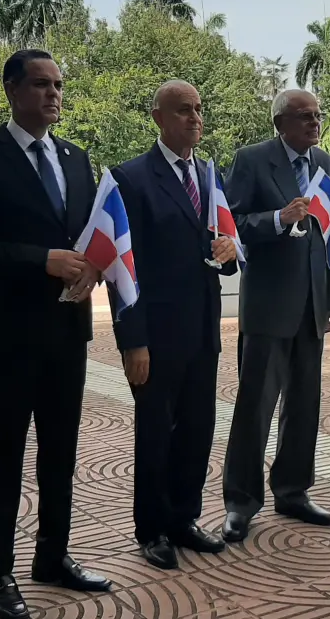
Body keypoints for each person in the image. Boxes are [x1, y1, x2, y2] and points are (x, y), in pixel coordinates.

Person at [0, 49, 112, 619]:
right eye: (41, 84)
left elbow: (88, 233)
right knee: (5, 451)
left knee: (60, 450)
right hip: (11, 329)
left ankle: (53, 555)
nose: (53, 94)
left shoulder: (76, 158)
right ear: (12, 90)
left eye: (58, 85)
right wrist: (43, 259)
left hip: (69, 325)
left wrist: (95, 265)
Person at [109, 80, 238, 569]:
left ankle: (185, 517)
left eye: (199, 109)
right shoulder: (131, 178)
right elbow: (123, 269)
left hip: (203, 329)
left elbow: (222, 246)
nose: (195, 118)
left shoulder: (208, 175)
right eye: (183, 110)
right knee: (156, 433)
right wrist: (133, 341)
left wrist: (229, 252)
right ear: (158, 117)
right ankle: (152, 528)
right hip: (157, 334)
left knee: (198, 429)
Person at [221, 89, 330, 541]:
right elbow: (231, 225)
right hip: (268, 306)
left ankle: (293, 491)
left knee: (304, 405)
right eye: (304, 116)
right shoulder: (252, 160)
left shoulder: (325, 164)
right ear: (281, 123)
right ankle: (240, 502)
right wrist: (278, 218)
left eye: (317, 115)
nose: (314, 122)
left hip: (312, 305)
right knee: (255, 407)